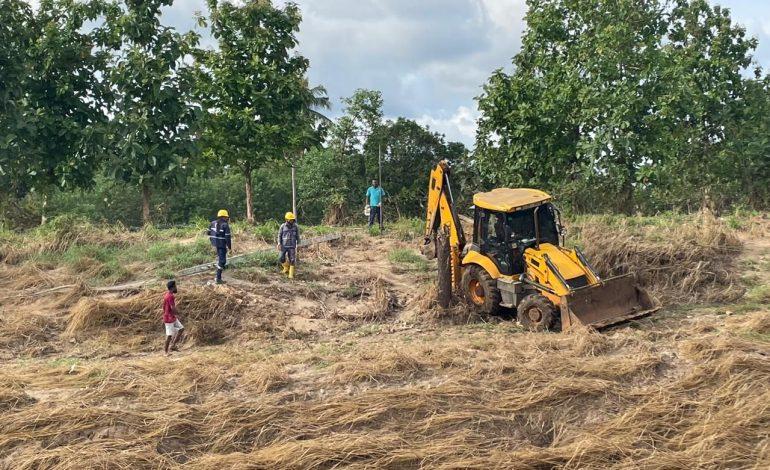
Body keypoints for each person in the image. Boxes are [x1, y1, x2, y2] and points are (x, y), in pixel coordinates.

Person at [208, 209, 232, 284]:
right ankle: (218, 278)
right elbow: (228, 238)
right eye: (226, 217)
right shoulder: (225, 225)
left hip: (215, 244)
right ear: (224, 217)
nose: (227, 218)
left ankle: (219, 273)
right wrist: (229, 247)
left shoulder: (212, 223)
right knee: (222, 261)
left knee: (221, 260)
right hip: (221, 245)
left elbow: (208, 232)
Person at [163, 280, 184, 355]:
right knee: (169, 335)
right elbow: (173, 308)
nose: (176, 288)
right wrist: (179, 313)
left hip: (172, 317)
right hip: (168, 318)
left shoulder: (168, 295)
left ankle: (173, 346)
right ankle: (165, 352)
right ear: (172, 287)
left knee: (181, 329)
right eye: (175, 286)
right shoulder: (170, 296)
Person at [277, 212, 300, 279]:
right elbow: (279, 235)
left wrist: (299, 244)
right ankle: (286, 267)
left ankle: (291, 274)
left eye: (292, 219)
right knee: (281, 258)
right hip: (284, 246)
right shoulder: (282, 226)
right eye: (290, 219)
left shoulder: (295, 226)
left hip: (292, 246)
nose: (292, 221)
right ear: (287, 219)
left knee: (292, 260)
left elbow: (298, 236)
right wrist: (279, 243)